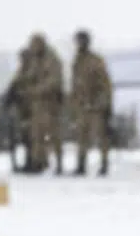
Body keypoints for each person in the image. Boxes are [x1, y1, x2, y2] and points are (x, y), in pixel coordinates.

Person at [17, 33, 67, 175]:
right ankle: (37, 162)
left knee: (54, 135)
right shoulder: (34, 60)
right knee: (36, 135)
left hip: (50, 105)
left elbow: (54, 81)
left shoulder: (52, 59)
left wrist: (35, 90)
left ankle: (59, 164)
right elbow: (27, 77)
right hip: (36, 105)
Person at [70, 30, 114, 175]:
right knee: (81, 137)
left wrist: (102, 103)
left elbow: (104, 83)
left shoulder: (95, 61)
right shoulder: (77, 61)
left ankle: (104, 164)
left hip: (96, 106)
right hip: (82, 106)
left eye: (81, 41)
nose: (78, 44)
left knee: (100, 136)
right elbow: (75, 84)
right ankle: (81, 165)